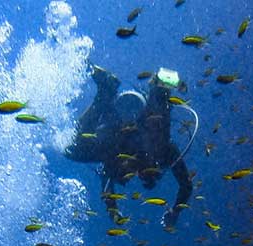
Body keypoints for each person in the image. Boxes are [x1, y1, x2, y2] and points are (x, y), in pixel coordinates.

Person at [64, 65, 195, 228]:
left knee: (74, 150)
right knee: (73, 150)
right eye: (139, 174)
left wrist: (113, 211)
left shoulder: (127, 157)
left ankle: (107, 93)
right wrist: (175, 212)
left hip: (120, 123)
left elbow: (107, 186)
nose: (133, 173)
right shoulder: (164, 152)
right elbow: (186, 184)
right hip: (127, 121)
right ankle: (151, 89)